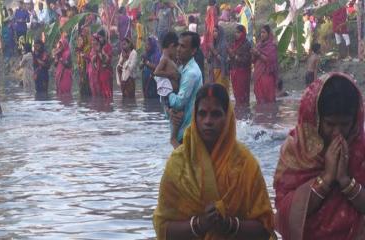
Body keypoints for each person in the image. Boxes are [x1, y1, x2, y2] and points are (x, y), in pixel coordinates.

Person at [153, 83, 275, 239]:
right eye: (202, 114)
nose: (208, 121)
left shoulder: (245, 163)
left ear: (228, 117)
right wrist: (200, 224)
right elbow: (163, 229)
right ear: (194, 117)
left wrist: (229, 225)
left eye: (216, 114)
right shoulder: (178, 163)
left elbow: (265, 229)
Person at [274, 72, 365, 240]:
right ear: (315, 118)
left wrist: (346, 181)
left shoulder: (361, 150)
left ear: (355, 120)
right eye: (330, 124)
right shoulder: (296, 150)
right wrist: (327, 178)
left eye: (345, 124)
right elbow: (285, 212)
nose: (337, 132)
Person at [166, 31, 203, 147]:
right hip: (183, 130)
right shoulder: (182, 68)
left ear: (193, 51)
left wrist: (168, 94)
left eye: (183, 46)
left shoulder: (191, 73)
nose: (178, 49)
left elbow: (179, 102)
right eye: (178, 45)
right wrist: (169, 110)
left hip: (189, 131)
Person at [252, 25, 278, 104]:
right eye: (261, 32)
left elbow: (270, 61)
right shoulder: (258, 45)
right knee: (260, 102)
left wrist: (258, 54)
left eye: (264, 32)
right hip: (258, 76)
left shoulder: (272, 47)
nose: (262, 34)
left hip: (267, 76)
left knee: (269, 101)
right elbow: (253, 61)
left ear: (269, 34)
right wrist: (253, 54)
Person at [229, 24, 252, 106]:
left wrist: (234, 56)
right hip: (234, 72)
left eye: (238, 32)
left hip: (243, 73)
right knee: (237, 95)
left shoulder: (247, 44)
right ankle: (239, 114)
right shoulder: (234, 44)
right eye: (235, 32)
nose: (236, 34)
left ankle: (245, 113)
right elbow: (231, 58)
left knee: (243, 94)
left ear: (243, 33)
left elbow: (246, 60)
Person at [154, 32, 180, 100]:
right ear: (172, 46)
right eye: (175, 49)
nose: (176, 52)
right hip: (168, 96)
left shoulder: (169, 59)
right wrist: (170, 74)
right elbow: (156, 72)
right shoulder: (165, 59)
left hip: (173, 94)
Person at [208, 25, 229, 89]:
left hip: (221, 71)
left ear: (220, 32)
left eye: (216, 31)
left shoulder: (224, 44)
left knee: (220, 93)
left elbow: (224, 60)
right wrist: (209, 54)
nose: (214, 33)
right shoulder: (213, 44)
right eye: (213, 31)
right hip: (213, 71)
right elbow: (209, 60)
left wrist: (214, 52)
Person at [96, 29, 113, 98]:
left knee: (107, 92)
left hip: (106, 71)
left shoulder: (108, 46)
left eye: (100, 37)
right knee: (102, 91)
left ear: (104, 37)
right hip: (100, 71)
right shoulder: (100, 47)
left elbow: (107, 60)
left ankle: (107, 107)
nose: (99, 39)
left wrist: (102, 53)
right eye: (98, 38)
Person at [76, 27, 91, 97]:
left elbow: (89, 59)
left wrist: (84, 56)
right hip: (81, 73)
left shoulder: (88, 47)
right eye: (78, 40)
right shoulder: (80, 50)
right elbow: (79, 62)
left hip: (87, 72)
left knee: (87, 91)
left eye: (81, 40)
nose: (79, 42)